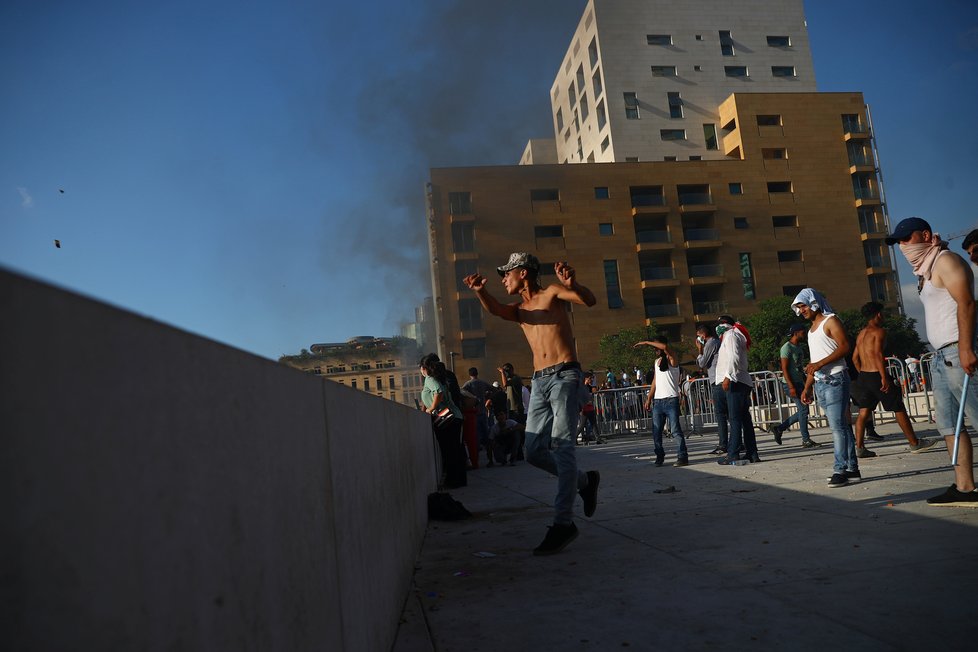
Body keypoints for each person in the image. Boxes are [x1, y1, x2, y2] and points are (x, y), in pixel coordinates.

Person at [465, 252, 600, 555]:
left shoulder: (552, 292)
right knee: (533, 452)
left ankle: (563, 524)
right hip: (538, 382)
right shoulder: (520, 309)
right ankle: (584, 482)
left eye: (507, 274)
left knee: (563, 447)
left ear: (523, 273)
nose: (503, 280)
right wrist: (480, 291)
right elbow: (497, 309)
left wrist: (573, 284)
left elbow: (588, 300)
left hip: (565, 375)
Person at [887, 217, 977, 506]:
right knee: (949, 425)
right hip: (940, 357)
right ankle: (964, 487)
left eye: (906, 239)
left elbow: (966, 302)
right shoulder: (926, 271)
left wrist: (965, 349)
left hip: (956, 352)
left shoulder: (946, 261)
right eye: (898, 242)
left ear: (925, 235)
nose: (903, 246)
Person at [850, 302, 937, 458]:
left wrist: (864, 375)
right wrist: (883, 377)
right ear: (877, 314)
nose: (883, 316)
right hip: (877, 374)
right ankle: (915, 443)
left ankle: (860, 447)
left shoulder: (861, 334)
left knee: (864, 411)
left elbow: (855, 358)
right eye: (882, 313)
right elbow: (877, 354)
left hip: (864, 376)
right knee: (898, 407)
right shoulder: (879, 332)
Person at [793, 289, 859, 487]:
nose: (801, 310)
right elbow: (814, 362)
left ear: (813, 303)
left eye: (804, 305)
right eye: (799, 307)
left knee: (837, 427)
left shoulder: (831, 321)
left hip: (836, 379)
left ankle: (840, 469)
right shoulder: (812, 329)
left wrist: (819, 365)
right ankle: (852, 468)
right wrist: (807, 388)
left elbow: (845, 347)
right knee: (843, 427)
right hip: (822, 382)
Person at [714, 315, 760, 465]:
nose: (718, 326)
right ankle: (752, 453)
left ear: (726, 325)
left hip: (735, 381)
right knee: (744, 420)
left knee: (735, 419)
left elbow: (734, 357)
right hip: (739, 380)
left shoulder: (731, 335)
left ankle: (733, 454)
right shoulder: (731, 335)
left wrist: (727, 377)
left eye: (721, 323)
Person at [637, 337, 689, 467]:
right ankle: (659, 456)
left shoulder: (672, 358)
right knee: (656, 431)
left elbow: (665, 348)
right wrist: (649, 398)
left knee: (675, 430)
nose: (655, 350)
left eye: (656, 347)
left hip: (671, 399)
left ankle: (682, 456)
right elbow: (655, 381)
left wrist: (646, 342)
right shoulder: (657, 362)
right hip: (658, 401)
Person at [419, 353, 467, 489]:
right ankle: (460, 480)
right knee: (455, 450)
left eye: (421, 367)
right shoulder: (442, 377)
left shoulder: (429, 378)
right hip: (454, 416)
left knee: (449, 451)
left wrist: (430, 409)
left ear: (424, 368)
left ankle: (452, 481)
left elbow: (438, 392)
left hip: (445, 417)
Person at [773, 324, 822, 448]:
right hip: (790, 383)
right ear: (796, 333)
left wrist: (807, 385)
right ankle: (805, 439)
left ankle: (779, 428)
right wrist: (791, 386)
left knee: (803, 410)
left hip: (800, 382)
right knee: (804, 409)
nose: (804, 334)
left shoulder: (799, 348)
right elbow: (784, 368)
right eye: (803, 332)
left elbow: (799, 368)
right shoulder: (786, 347)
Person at [695, 322, 728, 456]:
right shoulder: (715, 342)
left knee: (721, 414)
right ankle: (735, 442)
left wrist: (699, 350)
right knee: (728, 414)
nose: (697, 339)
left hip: (717, 381)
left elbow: (702, 363)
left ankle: (723, 444)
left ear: (703, 335)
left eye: (698, 336)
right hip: (718, 379)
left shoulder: (710, 344)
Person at [462, 367, 494, 466]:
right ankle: (490, 460)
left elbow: (462, 392)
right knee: (487, 437)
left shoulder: (468, 384)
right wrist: (488, 397)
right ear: (477, 373)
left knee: (475, 439)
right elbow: (494, 389)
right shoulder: (483, 383)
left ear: (469, 374)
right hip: (483, 413)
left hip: (474, 414)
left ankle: (476, 462)